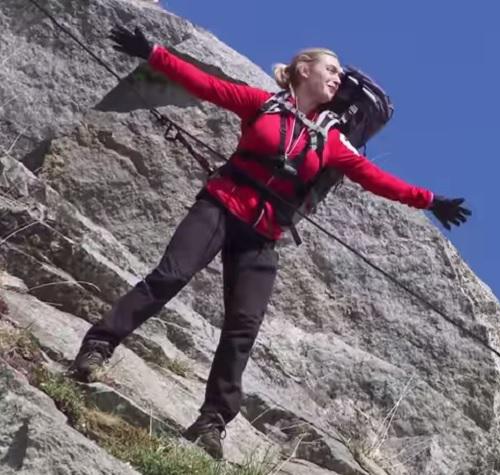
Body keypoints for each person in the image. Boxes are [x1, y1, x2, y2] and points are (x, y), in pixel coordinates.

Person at [70, 25, 471, 460]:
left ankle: (211, 423)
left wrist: (429, 200)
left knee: (243, 327)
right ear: (303, 70)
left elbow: (378, 180)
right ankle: (98, 346)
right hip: (220, 207)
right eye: (330, 69)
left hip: (262, 238)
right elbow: (207, 86)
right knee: (170, 276)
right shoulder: (262, 104)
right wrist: (154, 53)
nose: (337, 79)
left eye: (339, 74)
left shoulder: (333, 144)